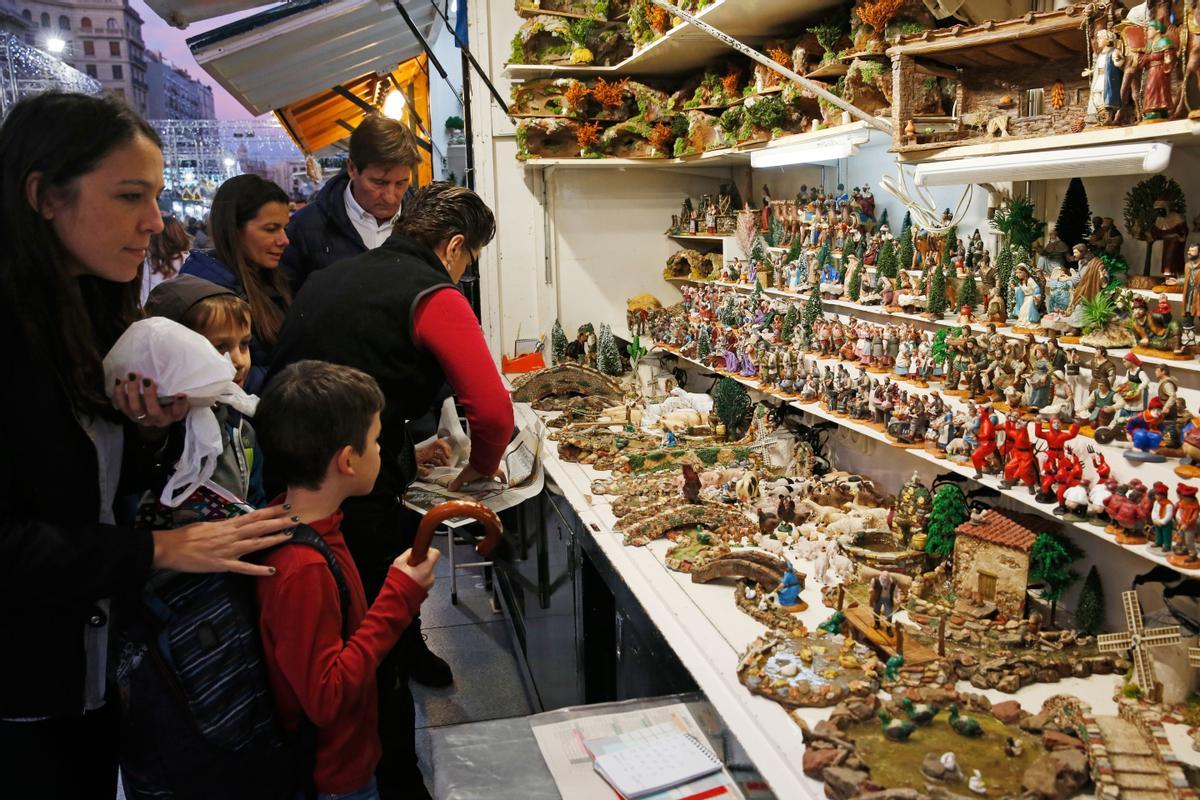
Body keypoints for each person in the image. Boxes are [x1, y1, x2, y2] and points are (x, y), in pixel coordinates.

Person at [0, 92, 295, 800]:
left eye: (157, 196)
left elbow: (85, 489)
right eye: (131, 195)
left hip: (93, 672)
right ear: (42, 195)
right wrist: (159, 551)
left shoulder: (92, 316)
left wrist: (147, 431)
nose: (156, 222)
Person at [270, 182, 512, 799]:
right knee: (367, 635)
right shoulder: (433, 292)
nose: (464, 276)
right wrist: (480, 471)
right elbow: (491, 412)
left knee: (331, 624)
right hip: (355, 497)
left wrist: (403, 451)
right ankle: (396, 776)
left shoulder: (331, 277)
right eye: (469, 263)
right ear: (454, 247)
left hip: (299, 482)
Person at [254, 360, 439, 800]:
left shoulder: (312, 524)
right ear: (348, 461)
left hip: (351, 759)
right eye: (376, 442)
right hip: (335, 780)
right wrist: (399, 596)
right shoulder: (303, 568)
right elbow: (326, 694)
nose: (381, 452)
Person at [280, 114, 422, 292]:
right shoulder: (306, 227)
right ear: (352, 169)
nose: (391, 197)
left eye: (401, 183)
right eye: (379, 183)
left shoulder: (426, 225)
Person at [181, 174, 292, 393]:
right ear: (234, 230)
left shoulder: (267, 276)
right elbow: (228, 378)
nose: (284, 240)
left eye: (284, 228)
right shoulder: (210, 293)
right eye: (271, 229)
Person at [139, 214, 190, 308]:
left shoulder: (143, 264)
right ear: (180, 234)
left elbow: (141, 301)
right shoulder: (191, 262)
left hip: (148, 316)